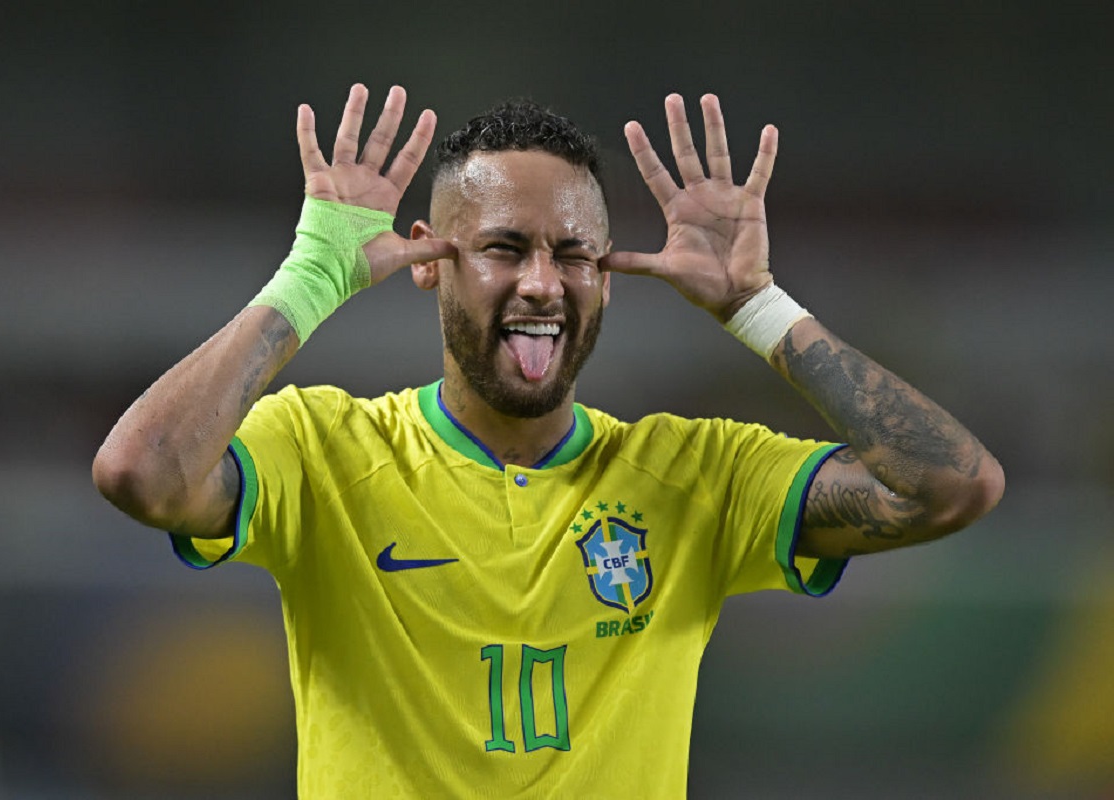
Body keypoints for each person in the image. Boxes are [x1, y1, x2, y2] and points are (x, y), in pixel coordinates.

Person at [92, 83, 1004, 798]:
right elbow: (142, 472)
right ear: (426, 261)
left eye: (573, 255)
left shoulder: (697, 475)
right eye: (503, 247)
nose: (542, 283)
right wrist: (305, 284)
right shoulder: (325, 450)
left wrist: (762, 310)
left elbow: (951, 487)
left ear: (606, 278)